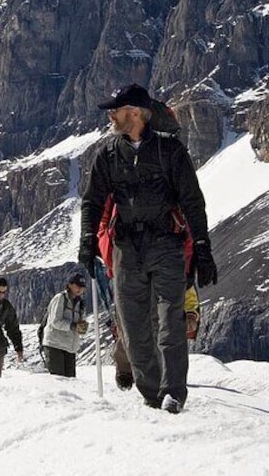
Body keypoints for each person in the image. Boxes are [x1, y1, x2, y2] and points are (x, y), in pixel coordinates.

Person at [79, 84, 217, 414]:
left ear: (137, 113)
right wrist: (87, 240)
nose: (111, 115)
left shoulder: (170, 152)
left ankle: (173, 392)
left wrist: (202, 247)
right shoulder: (107, 154)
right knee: (133, 325)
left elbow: (192, 202)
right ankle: (151, 393)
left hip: (166, 245)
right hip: (127, 249)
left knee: (170, 318)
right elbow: (92, 201)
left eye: (117, 109)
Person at [42, 273, 88, 378]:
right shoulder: (60, 298)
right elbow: (55, 321)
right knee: (59, 380)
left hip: (70, 347)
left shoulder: (81, 303)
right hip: (55, 344)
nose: (80, 289)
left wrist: (82, 328)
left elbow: (80, 322)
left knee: (70, 381)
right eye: (77, 285)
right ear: (70, 284)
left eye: (82, 287)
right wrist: (73, 326)